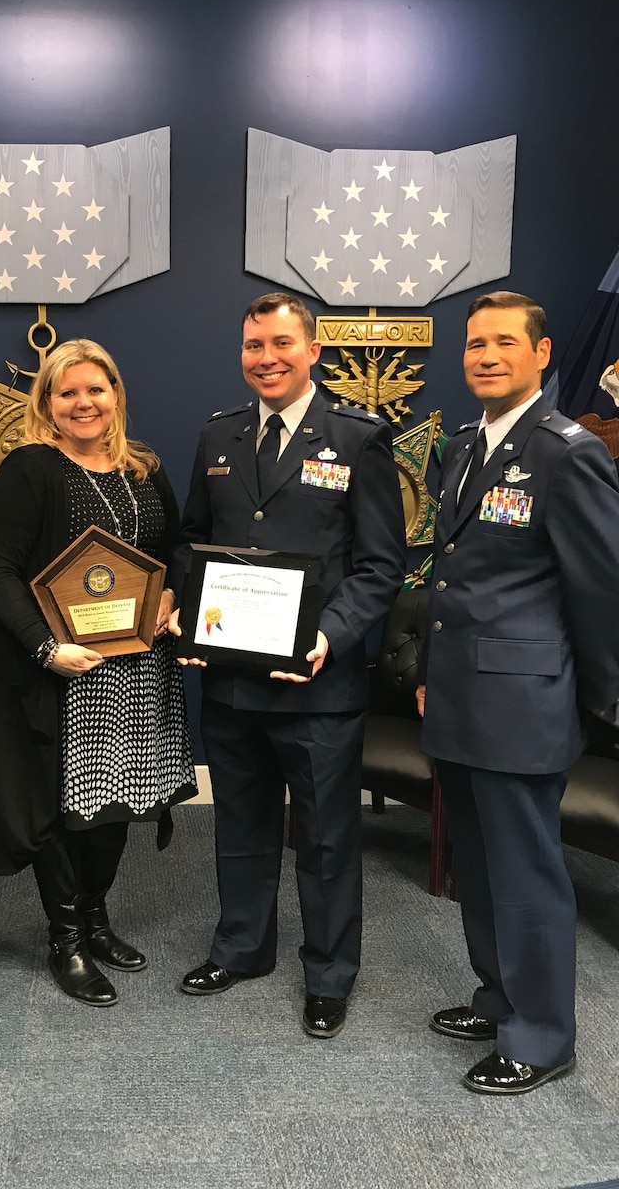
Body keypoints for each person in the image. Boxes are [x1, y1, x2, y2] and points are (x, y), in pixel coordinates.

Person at [171, 292, 406, 1037]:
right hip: (234, 677)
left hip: (318, 683)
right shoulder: (220, 435)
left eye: (278, 344)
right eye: (251, 345)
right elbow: (190, 538)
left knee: (327, 839)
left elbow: (379, 564)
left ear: (311, 351)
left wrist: (332, 634)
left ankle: (329, 973)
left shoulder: (358, 436)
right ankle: (241, 948)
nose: (264, 358)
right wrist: (184, 598)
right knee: (240, 824)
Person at [417, 291, 619, 1094]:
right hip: (462, 694)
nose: (486, 355)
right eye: (474, 344)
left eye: (504, 342)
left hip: (525, 700)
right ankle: (498, 994)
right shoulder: (465, 444)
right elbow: (454, 578)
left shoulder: (569, 452)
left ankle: (540, 1036)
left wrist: (597, 700)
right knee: (480, 860)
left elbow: (602, 588)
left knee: (526, 868)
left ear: (541, 356)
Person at [0, 338, 196, 1007]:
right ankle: (65, 936)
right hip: (60, 672)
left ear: (116, 396)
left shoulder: (143, 467)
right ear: (47, 401)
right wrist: (46, 646)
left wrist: (171, 596)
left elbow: (175, 546)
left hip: (135, 667)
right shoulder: (29, 468)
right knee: (62, 807)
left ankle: (96, 916)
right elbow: (0, 571)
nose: (83, 402)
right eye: (67, 391)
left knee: (117, 801)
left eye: (94, 389)